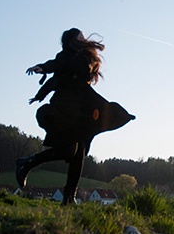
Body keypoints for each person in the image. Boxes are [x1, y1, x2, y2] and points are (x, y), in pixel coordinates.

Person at [16, 28, 135, 205]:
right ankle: (27, 163)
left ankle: (69, 198)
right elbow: (54, 68)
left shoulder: (84, 56)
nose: (84, 37)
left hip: (83, 110)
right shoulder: (66, 56)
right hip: (65, 110)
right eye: (80, 35)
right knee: (70, 150)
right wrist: (43, 68)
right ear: (72, 40)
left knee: (80, 153)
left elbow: (59, 79)